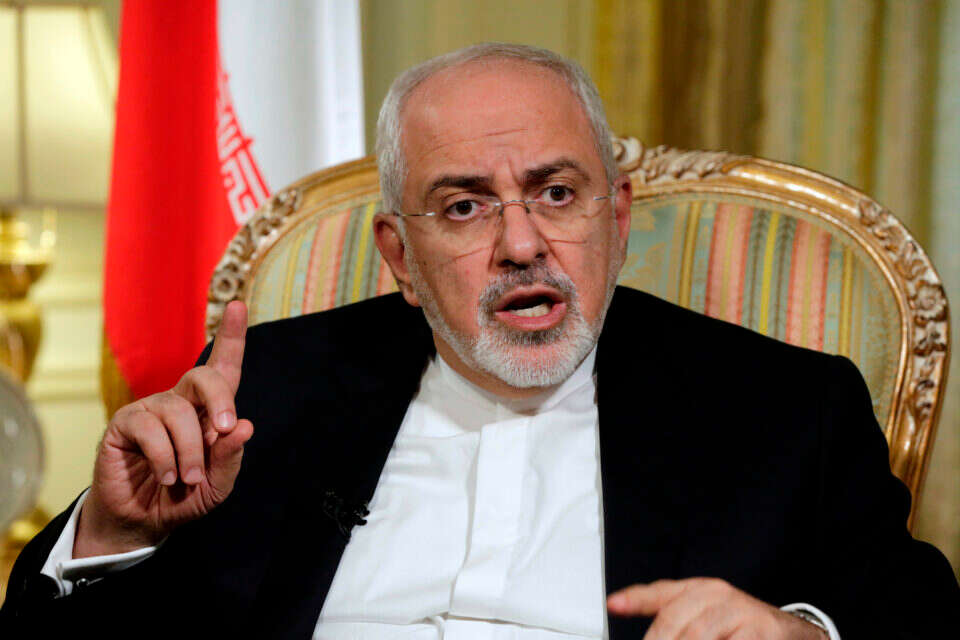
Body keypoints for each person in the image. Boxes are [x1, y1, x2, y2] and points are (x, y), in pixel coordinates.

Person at [2, 43, 958, 639]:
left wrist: (801, 636)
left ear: (618, 216)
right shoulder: (269, 395)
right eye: (464, 207)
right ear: (399, 255)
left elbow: (916, 614)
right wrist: (113, 538)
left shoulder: (783, 406)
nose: (523, 243)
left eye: (557, 193)